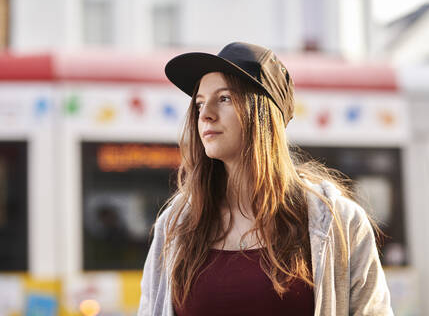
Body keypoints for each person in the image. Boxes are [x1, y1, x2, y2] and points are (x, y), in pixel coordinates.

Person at [138, 42, 393, 316]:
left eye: (224, 98)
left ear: (263, 114)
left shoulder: (338, 223)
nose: (206, 115)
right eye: (199, 103)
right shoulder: (176, 226)